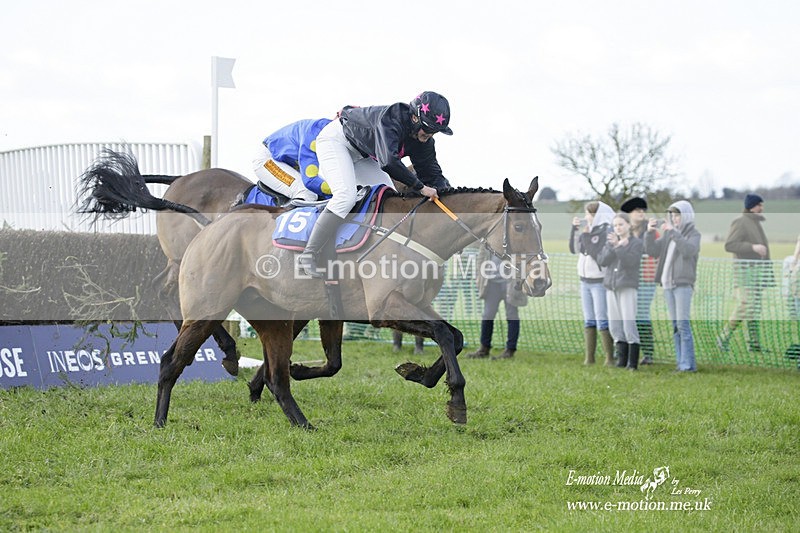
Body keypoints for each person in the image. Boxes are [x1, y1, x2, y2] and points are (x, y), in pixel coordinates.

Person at [299, 91, 452, 278]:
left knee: (392, 200)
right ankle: (309, 254)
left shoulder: (424, 140)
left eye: (434, 131)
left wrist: (451, 200)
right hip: (336, 142)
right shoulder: (391, 118)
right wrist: (420, 187)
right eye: (427, 129)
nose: (429, 135)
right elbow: (388, 162)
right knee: (345, 197)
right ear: (414, 118)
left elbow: (433, 175)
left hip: (363, 154)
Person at [645, 201, 701, 372]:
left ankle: (688, 365)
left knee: (683, 325)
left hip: (682, 284)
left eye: (678, 215)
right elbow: (652, 250)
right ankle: (681, 362)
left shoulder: (693, 234)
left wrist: (673, 232)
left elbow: (688, 250)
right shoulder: (669, 234)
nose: (675, 219)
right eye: (673, 215)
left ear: (686, 215)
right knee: (676, 325)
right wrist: (649, 232)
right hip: (668, 285)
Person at [716, 194, 772, 352]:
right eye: (759, 205)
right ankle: (723, 337)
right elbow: (730, 245)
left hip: (757, 273)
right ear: (751, 206)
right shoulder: (740, 222)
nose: (762, 208)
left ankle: (753, 345)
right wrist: (752, 247)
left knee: (754, 308)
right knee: (747, 305)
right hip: (744, 272)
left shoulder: (756, 223)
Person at [569, 201, 616, 365]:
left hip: (598, 282)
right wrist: (575, 231)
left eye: (589, 214)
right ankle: (589, 358)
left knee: (602, 318)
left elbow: (597, 255)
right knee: (589, 319)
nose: (586, 217)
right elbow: (575, 249)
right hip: (585, 281)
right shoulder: (587, 231)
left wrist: (586, 236)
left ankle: (609, 357)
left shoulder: (605, 232)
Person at [598, 212, 643, 370]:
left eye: (621, 224)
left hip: (627, 286)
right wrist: (613, 247)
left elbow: (631, 261)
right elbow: (602, 261)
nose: (618, 228)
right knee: (615, 325)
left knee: (628, 322)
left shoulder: (635, 243)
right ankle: (621, 360)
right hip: (611, 286)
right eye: (615, 225)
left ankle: (632, 363)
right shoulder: (611, 243)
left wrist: (619, 247)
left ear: (628, 225)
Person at [465, 247, 529, 359]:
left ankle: (510, 350)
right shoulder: (489, 236)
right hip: (491, 283)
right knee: (487, 315)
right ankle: (484, 348)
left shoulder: (513, 235)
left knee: (512, 315)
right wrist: (479, 276)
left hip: (510, 282)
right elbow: (481, 257)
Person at [253, 118, 334, 203]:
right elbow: (310, 180)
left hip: (286, 162)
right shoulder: (314, 137)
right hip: (267, 159)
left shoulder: (327, 131)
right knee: (306, 193)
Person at [620, 196, 658, 364]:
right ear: (630, 214)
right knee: (626, 314)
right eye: (637, 211)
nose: (641, 214)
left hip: (646, 278)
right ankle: (624, 349)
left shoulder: (651, 231)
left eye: (643, 211)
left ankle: (648, 352)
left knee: (641, 313)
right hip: (628, 277)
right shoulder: (624, 231)